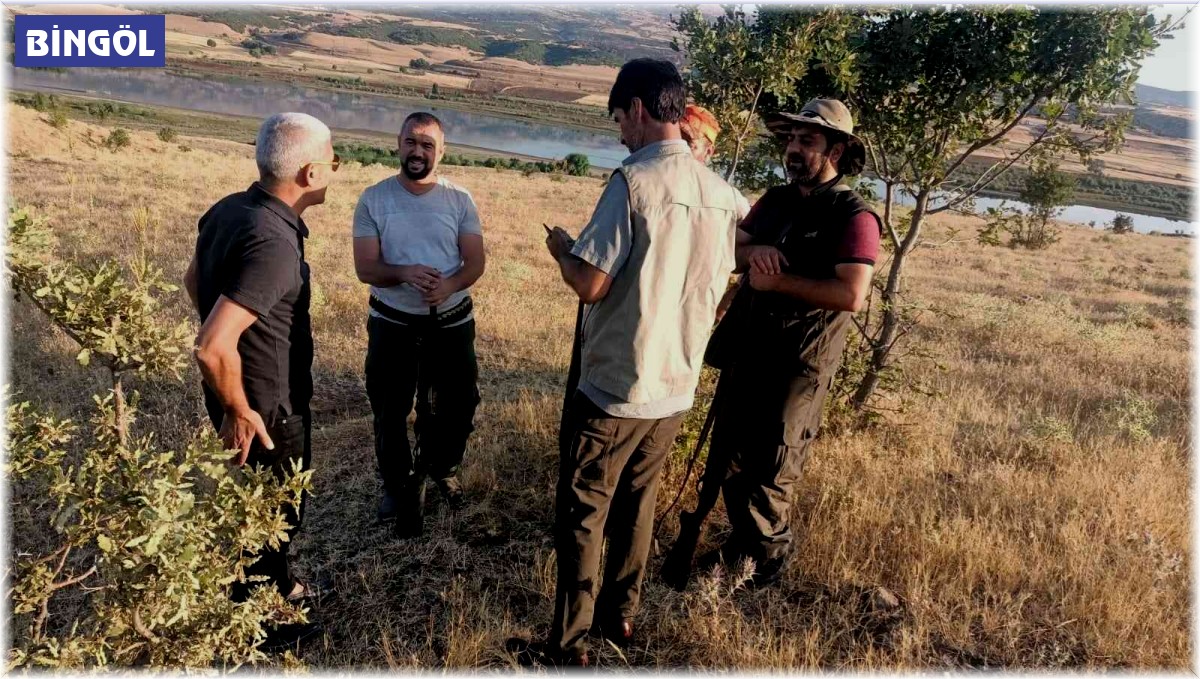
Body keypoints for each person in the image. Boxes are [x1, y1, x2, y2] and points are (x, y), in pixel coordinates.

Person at [519, 58, 742, 667]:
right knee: (638, 506)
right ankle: (622, 618)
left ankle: (569, 645)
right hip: (675, 386)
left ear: (640, 109)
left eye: (620, 117)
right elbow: (735, 268)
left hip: (616, 386)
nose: (619, 131)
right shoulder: (722, 193)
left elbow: (591, 284)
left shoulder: (633, 182)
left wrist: (562, 250)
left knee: (583, 512)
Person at [697, 98, 881, 588]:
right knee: (731, 457)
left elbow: (851, 294)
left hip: (799, 364)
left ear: (836, 150)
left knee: (772, 467)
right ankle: (741, 548)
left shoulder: (854, 216)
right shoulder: (775, 200)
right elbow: (731, 249)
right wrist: (757, 251)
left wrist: (778, 282)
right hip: (747, 351)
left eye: (808, 141)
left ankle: (766, 563)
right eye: (792, 139)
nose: (794, 149)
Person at [185, 111, 339, 650]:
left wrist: (228, 387)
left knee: (258, 506)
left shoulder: (230, 209)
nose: (336, 171)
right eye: (333, 162)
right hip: (268, 409)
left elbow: (194, 282)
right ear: (310, 173)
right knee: (275, 515)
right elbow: (210, 344)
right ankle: (264, 624)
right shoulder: (274, 242)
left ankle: (278, 584)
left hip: (239, 396)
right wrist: (239, 407)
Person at [352, 111, 486, 538]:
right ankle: (396, 485)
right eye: (411, 142)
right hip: (392, 323)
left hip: (451, 322)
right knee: (390, 409)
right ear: (398, 143)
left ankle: (442, 468)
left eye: (427, 145)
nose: (418, 151)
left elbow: (475, 262)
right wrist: (405, 272)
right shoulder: (374, 199)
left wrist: (449, 284)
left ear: (441, 151)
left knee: (459, 403)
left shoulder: (460, 199)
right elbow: (366, 268)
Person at [678, 103, 752, 322]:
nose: (679, 149)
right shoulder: (650, 184)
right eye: (676, 139)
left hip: (693, 313)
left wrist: (730, 296)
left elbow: (755, 249)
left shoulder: (729, 199)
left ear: (709, 151)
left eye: (688, 143)